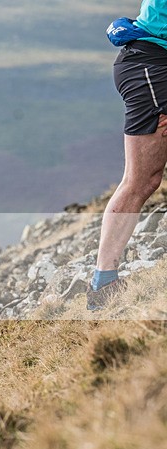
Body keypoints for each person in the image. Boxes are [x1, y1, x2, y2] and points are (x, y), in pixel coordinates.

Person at [89, 0, 167, 310]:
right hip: (151, 66)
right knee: (140, 180)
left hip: (152, 64)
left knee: (145, 180)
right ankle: (104, 283)